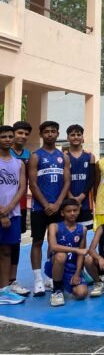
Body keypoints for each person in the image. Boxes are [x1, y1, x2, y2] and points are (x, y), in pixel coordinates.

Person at [29, 120, 71, 297]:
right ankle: (38, 280)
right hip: (40, 207)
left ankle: (50, 275)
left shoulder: (64, 157)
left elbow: (67, 182)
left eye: (53, 131)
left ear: (57, 134)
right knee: (38, 241)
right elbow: (33, 184)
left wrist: (58, 204)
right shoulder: (36, 156)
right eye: (46, 131)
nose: (50, 134)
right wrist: (46, 205)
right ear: (41, 134)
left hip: (58, 207)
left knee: (55, 242)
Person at [0, 125, 27, 304]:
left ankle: (4, 290)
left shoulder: (19, 163)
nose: (8, 139)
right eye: (4, 137)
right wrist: (2, 214)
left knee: (6, 251)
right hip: (2, 214)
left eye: (10, 136)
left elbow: (22, 187)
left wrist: (9, 209)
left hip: (14, 213)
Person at [44, 198, 87, 307]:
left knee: (82, 293)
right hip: (55, 264)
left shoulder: (82, 229)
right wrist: (76, 249)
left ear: (78, 211)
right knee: (61, 255)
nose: (72, 213)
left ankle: (63, 283)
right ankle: (57, 290)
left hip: (71, 268)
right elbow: (53, 247)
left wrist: (77, 273)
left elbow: (81, 254)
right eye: (68, 211)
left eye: (75, 210)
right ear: (62, 213)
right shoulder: (54, 226)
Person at [8, 121, 32, 297]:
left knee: (15, 243)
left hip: (20, 205)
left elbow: (26, 182)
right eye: (19, 133)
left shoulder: (27, 155)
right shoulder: (4, 152)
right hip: (3, 205)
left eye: (26, 134)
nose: (22, 136)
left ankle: (12, 280)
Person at [65, 124, 95, 230]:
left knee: (87, 233)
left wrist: (81, 197)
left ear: (82, 137)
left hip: (86, 202)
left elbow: (91, 179)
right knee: (68, 232)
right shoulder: (63, 156)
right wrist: (71, 198)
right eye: (73, 135)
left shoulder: (90, 156)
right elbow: (62, 180)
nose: (76, 137)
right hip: (67, 202)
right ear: (67, 138)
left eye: (78, 134)